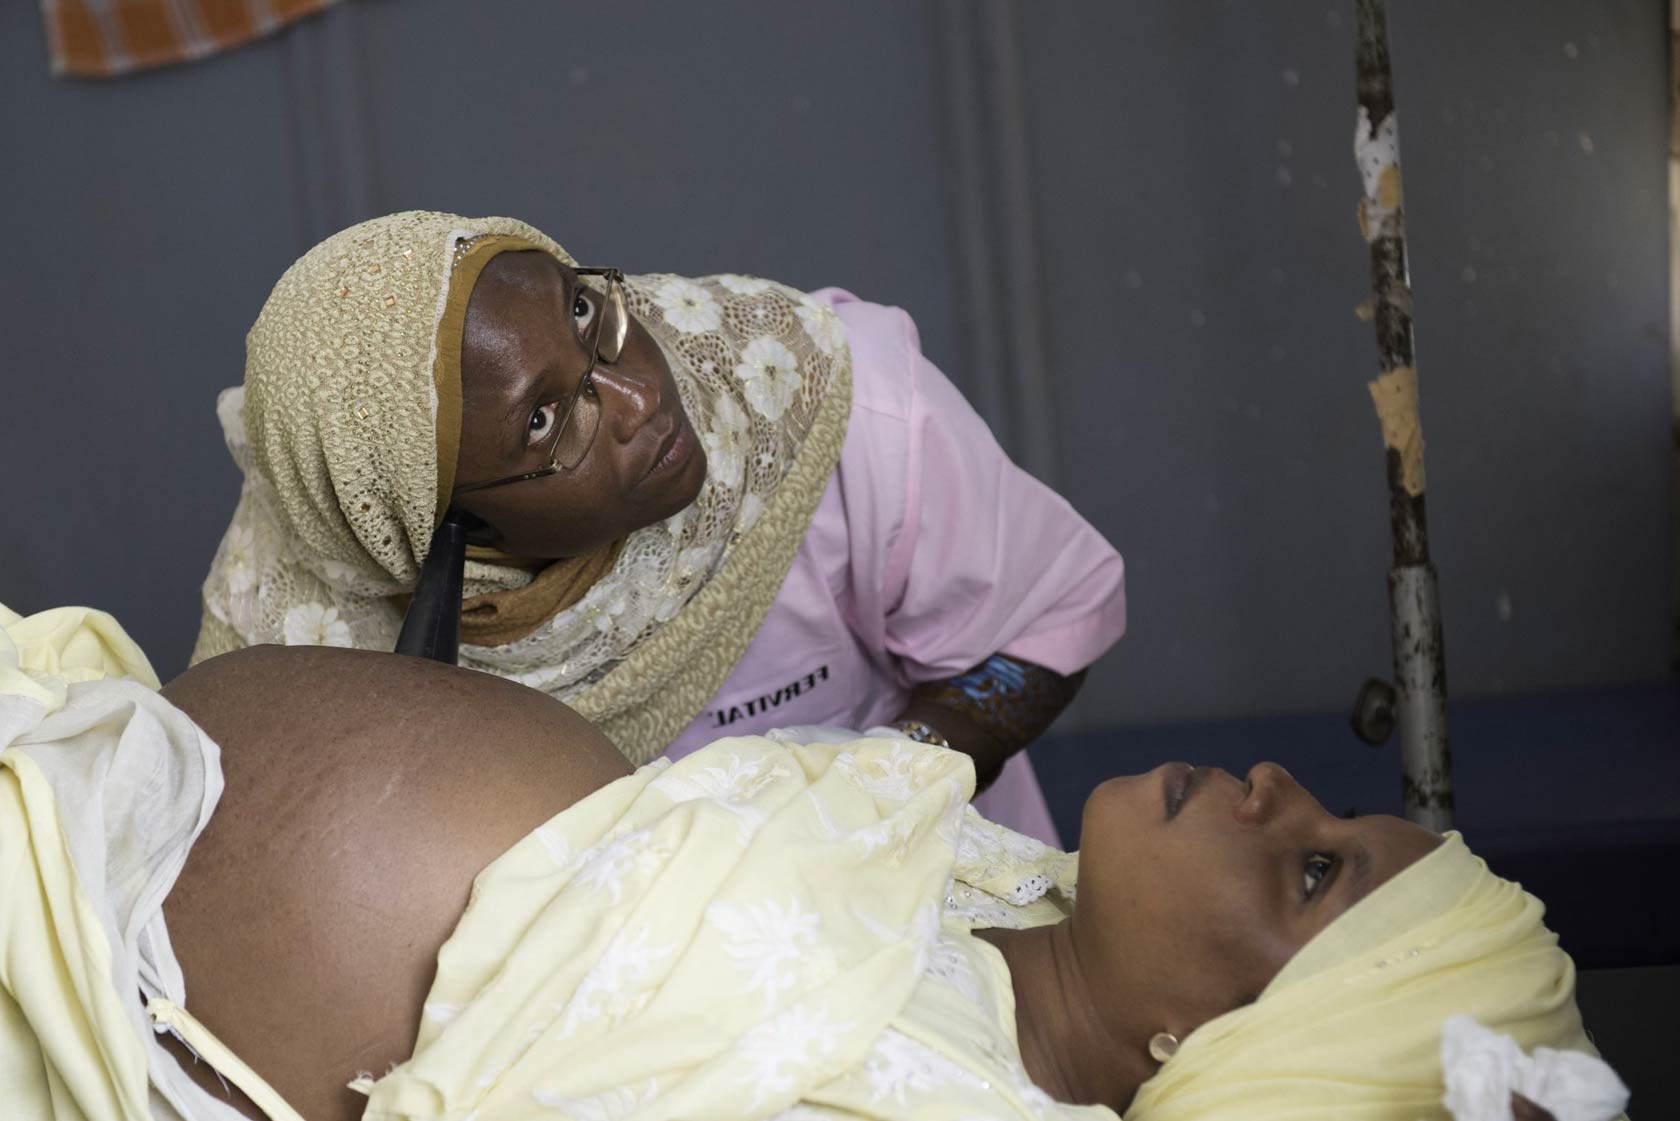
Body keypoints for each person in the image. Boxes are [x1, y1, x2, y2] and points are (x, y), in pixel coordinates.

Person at [0, 627, 1620, 1121]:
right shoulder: (1000, 883)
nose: (1273, 789)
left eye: (1315, 868)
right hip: (90, 803)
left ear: (1224, 1051)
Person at [189, 211, 1127, 843]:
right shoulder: (294, 656)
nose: (643, 395)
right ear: (438, 528)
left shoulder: (814, 399)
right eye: (548, 421)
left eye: (586, 310)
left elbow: (1052, 618)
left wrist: (874, 800)